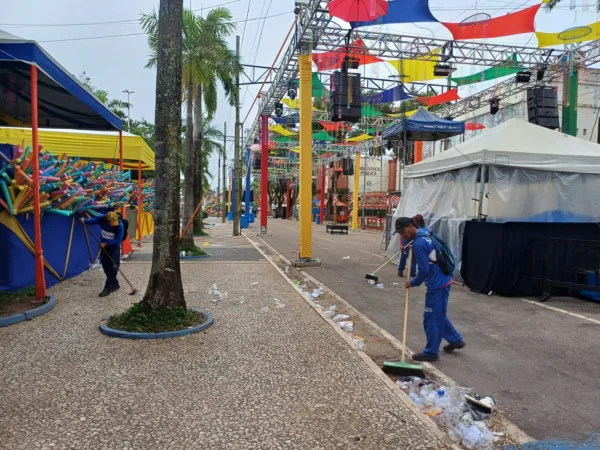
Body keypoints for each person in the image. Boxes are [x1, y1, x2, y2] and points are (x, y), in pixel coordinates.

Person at [394, 216, 465, 361]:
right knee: (438, 313)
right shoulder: (424, 232)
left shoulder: (419, 243)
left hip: (437, 283)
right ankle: (455, 339)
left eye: (402, 232)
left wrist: (412, 282)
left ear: (409, 226)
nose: (402, 235)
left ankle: (431, 352)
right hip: (443, 278)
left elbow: (424, 271)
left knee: (431, 318)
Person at [81, 211, 124, 297]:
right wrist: (84, 220)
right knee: (106, 267)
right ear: (107, 220)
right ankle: (115, 283)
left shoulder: (120, 226)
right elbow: (92, 221)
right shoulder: (102, 219)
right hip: (104, 248)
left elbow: (117, 241)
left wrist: (106, 244)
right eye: (112, 222)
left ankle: (107, 288)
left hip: (114, 248)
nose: (114, 224)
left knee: (114, 267)